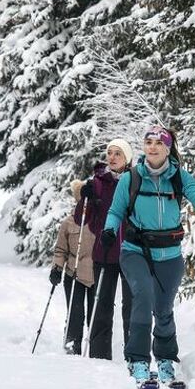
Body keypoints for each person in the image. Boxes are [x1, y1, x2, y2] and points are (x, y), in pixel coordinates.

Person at [101, 126, 195, 387]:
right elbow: (116, 211)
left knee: (163, 308)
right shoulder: (132, 178)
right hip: (135, 250)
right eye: (148, 142)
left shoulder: (180, 177)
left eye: (157, 143)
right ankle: (138, 359)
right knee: (143, 295)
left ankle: (165, 359)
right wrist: (108, 230)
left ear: (167, 147)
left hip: (170, 253)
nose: (151, 147)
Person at [72, 138, 134, 360]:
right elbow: (81, 219)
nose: (112, 157)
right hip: (104, 253)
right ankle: (99, 358)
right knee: (101, 308)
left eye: (118, 153)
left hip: (131, 253)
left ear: (127, 157)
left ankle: (134, 356)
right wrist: (84, 198)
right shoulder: (98, 182)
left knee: (132, 308)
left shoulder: (135, 180)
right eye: (110, 152)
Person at [49, 184, 95, 355]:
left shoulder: (99, 220)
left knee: (95, 315)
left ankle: (96, 349)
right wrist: (56, 269)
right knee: (75, 313)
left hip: (95, 275)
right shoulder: (68, 223)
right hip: (73, 275)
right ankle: (72, 344)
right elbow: (60, 250)